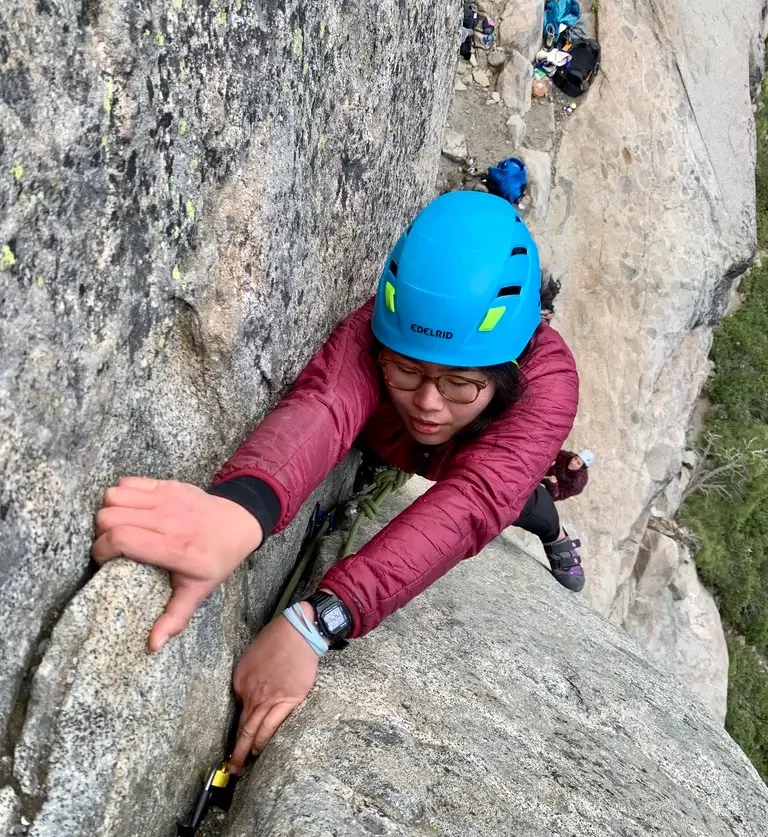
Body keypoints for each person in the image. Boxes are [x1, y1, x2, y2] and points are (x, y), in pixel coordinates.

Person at [92, 191, 583, 773]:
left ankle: (557, 540)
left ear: (507, 369)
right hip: (398, 444)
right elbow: (326, 404)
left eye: (460, 383)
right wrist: (240, 507)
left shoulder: (547, 380)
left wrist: (319, 622)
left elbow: (474, 500)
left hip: (479, 460)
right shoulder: (383, 327)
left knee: (522, 504)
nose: (428, 403)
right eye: (406, 371)